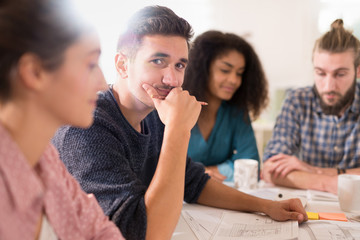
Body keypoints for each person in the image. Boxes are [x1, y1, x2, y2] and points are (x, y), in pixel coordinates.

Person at [52, 5, 307, 240]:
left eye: (180, 65)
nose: (172, 79)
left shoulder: (154, 114)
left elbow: (192, 181)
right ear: (122, 65)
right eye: (158, 61)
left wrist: (266, 206)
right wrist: (178, 128)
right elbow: (142, 233)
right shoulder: (88, 125)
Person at [0, 0, 124, 239]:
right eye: (90, 64)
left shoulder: (44, 158)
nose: (101, 83)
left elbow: (98, 228)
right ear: (34, 72)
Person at [262, 19, 360, 194]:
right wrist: (332, 183)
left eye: (340, 74)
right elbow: (271, 169)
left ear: (358, 71)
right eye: (320, 73)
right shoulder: (297, 101)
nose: (329, 86)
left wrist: (315, 171)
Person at [183, 30, 268, 182]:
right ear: (203, 68)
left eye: (239, 73)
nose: (234, 80)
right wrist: (204, 173)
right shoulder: (177, 107)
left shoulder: (236, 111)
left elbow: (250, 166)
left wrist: (204, 173)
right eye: (225, 70)